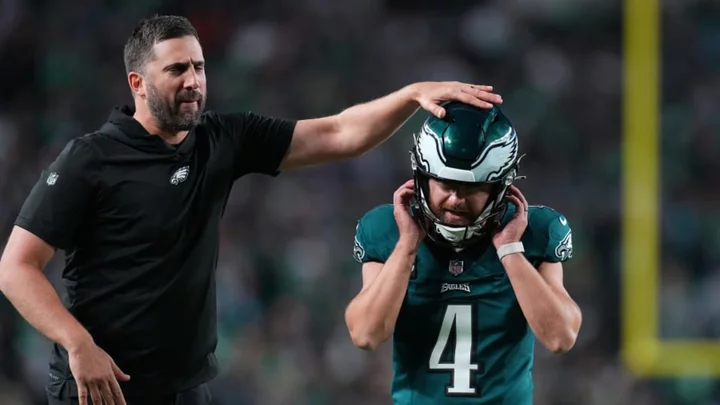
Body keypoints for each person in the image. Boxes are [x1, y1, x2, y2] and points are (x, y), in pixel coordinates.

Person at [0, 15, 503, 405]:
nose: (193, 80)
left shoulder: (222, 138)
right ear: (137, 83)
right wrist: (77, 343)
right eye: (176, 69)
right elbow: (16, 267)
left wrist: (412, 96)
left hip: (185, 388)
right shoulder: (91, 158)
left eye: (198, 67)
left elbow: (339, 133)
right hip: (100, 387)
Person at [345, 101, 582, 404]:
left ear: (500, 188)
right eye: (444, 183)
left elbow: (561, 337)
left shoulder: (534, 232)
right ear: (422, 177)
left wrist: (510, 251)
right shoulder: (387, 230)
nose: (455, 199)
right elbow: (366, 334)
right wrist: (406, 247)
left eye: (471, 188)